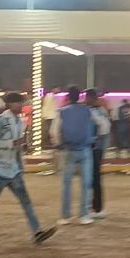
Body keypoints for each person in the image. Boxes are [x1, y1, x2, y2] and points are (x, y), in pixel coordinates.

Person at [0, 92, 57, 245]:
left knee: (26, 201)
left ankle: (37, 232)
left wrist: (21, 162)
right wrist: (12, 143)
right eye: (18, 102)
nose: (21, 105)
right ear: (9, 104)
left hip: (13, 169)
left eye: (21, 102)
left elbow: (17, 147)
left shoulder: (19, 122)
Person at [51, 86, 95, 225]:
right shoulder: (87, 111)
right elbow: (102, 125)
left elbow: (54, 131)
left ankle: (66, 216)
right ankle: (84, 215)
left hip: (69, 150)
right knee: (86, 183)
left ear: (68, 97)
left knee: (67, 184)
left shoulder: (62, 112)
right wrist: (94, 138)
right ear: (80, 96)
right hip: (85, 149)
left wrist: (58, 143)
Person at [85, 89, 111, 218]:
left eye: (87, 98)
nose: (85, 100)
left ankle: (96, 208)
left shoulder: (94, 111)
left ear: (92, 98)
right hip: (97, 148)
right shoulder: (101, 110)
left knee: (93, 178)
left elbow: (104, 128)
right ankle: (95, 207)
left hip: (94, 148)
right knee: (94, 178)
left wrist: (95, 139)